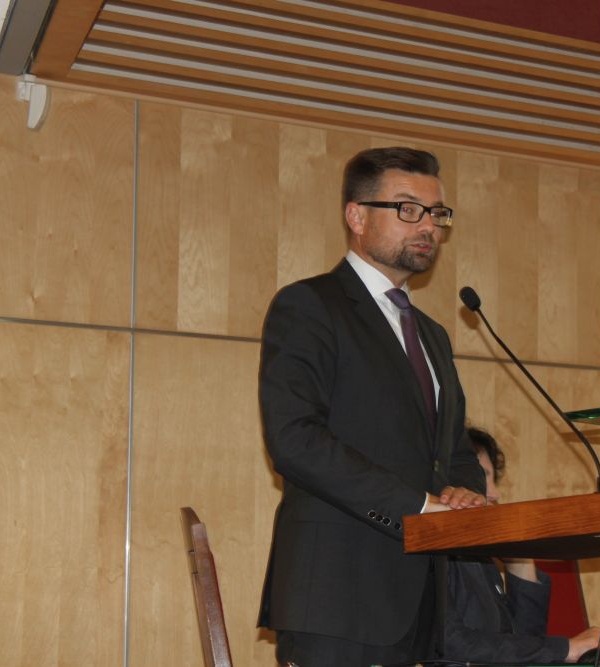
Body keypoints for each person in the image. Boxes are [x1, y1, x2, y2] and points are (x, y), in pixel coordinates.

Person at [257, 146, 488, 667]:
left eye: (436, 213)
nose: (427, 227)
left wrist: (465, 494)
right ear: (356, 216)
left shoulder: (432, 334)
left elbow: (453, 452)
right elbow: (295, 440)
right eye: (408, 209)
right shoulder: (309, 306)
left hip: (421, 605)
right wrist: (419, 507)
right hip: (337, 596)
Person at [444, 427, 600, 664]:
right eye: (483, 476)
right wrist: (567, 648)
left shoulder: (482, 558)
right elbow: (451, 644)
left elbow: (525, 647)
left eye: (494, 480)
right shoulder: (432, 557)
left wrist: (520, 562)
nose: (495, 493)